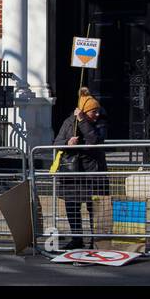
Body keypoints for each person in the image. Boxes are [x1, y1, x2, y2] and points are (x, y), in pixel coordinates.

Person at [54, 87, 109, 250]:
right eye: (94, 111)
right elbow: (57, 143)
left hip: (93, 172)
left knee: (95, 209)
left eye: (97, 111)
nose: (97, 114)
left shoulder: (100, 122)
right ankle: (76, 238)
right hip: (72, 174)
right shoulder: (69, 122)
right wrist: (67, 143)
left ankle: (96, 239)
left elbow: (94, 141)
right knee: (72, 207)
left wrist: (84, 121)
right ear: (85, 111)